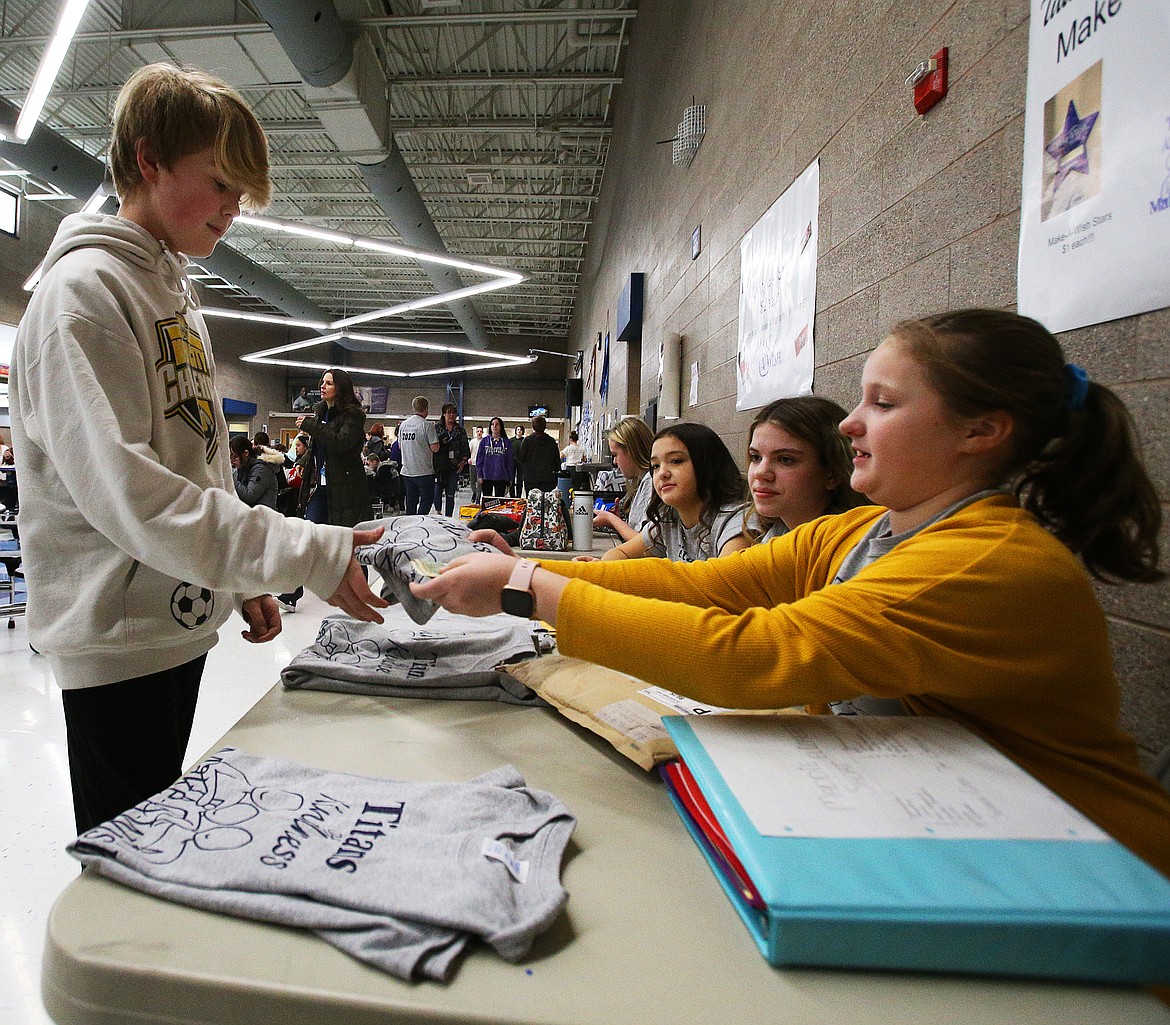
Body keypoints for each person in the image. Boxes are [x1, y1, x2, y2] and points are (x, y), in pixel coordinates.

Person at [413, 308, 1170, 879]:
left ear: (982, 431)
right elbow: (699, 586)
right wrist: (532, 578)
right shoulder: (861, 533)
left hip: (1095, 885)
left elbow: (755, 655)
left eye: (884, 402)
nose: (852, 420)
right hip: (980, 846)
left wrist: (529, 587)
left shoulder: (985, 560)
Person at [8, 62, 387, 835]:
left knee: (162, 845)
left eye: (241, 192)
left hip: (175, 620)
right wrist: (303, 552)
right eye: (220, 182)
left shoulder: (174, 291)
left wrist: (239, 571)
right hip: (117, 640)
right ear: (148, 161)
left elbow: (202, 465)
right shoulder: (82, 297)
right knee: (128, 865)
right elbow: (132, 495)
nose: (235, 209)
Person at [276, 367, 373, 612]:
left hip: (347, 491)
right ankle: (291, 592)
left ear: (339, 388)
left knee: (350, 545)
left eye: (328, 383)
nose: (322, 386)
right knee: (306, 538)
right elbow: (319, 451)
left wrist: (312, 427)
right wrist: (299, 466)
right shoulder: (321, 412)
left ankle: (360, 595)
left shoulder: (353, 416)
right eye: (322, 382)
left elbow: (341, 443)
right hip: (322, 489)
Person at [726, 396, 867, 550]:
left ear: (832, 474)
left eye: (785, 459)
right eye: (756, 457)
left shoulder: (852, 548)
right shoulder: (777, 533)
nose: (761, 472)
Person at [593, 422, 746, 562]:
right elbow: (619, 554)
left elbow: (718, 584)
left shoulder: (735, 523)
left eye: (676, 461)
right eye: (655, 466)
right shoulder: (668, 519)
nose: (662, 473)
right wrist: (602, 569)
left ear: (708, 465)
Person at [592, 416, 654, 543]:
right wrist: (620, 523)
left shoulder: (650, 482)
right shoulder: (642, 481)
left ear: (632, 451)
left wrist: (612, 520)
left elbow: (643, 543)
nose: (615, 462)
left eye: (615, 455)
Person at [399, 396, 440, 515]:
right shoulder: (427, 425)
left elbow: (400, 446)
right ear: (426, 408)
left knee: (411, 502)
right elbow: (435, 448)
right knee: (427, 500)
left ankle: (410, 525)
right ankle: (420, 522)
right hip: (424, 471)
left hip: (407, 471)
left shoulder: (403, 425)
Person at [433, 402, 471, 517]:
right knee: (437, 490)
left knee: (451, 492)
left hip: (454, 466)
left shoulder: (460, 430)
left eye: (453, 413)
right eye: (449, 412)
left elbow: (465, 448)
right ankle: (438, 513)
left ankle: (449, 517)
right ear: (444, 414)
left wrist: (463, 462)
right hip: (439, 465)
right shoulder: (436, 428)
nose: (451, 415)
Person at [229, 436, 279, 509]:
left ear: (246, 453)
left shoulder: (261, 469)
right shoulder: (242, 468)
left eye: (235, 457)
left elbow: (250, 496)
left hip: (263, 517)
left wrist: (230, 479)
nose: (232, 462)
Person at [517, 415, 561, 494]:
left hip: (531, 478)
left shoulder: (527, 441)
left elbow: (521, 458)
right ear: (544, 426)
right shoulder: (551, 441)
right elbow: (557, 461)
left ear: (533, 427)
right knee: (547, 503)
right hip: (548, 478)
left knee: (532, 502)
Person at [476, 416, 514, 498]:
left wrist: (510, 477)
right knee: (487, 502)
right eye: (492, 424)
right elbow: (479, 459)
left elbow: (510, 461)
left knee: (499, 503)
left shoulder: (507, 442)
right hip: (486, 476)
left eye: (497, 424)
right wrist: (479, 475)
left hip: (501, 476)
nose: (495, 426)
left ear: (501, 427)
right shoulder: (484, 441)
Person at [468, 426, 484, 504]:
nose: (479, 433)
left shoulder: (484, 442)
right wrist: (468, 459)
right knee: (472, 482)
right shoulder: (472, 442)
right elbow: (468, 452)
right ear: (476, 432)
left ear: (482, 433)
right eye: (478, 431)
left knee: (479, 482)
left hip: (480, 466)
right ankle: (474, 493)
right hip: (472, 464)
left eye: (480, 431)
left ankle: (478, 498)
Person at [512, 425, 527, 497]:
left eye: (520, 430)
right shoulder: (511, 440)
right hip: (512, 462)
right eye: (518, 429)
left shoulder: (524, 441)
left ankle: (518, 496)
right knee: (511, 479)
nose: (519, 431)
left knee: (519, 480)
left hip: (521, 462)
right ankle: (512, 495)